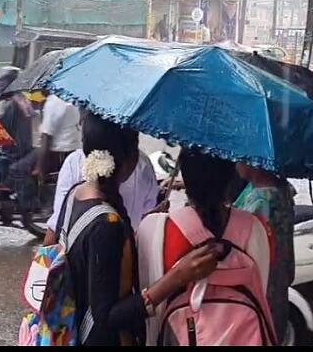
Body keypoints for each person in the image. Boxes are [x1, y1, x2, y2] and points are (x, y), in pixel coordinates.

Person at [53, 113, 220, 346]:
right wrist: (176, 277)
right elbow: (106, 318)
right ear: (130, 158)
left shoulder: (76, 194)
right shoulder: (107, 224)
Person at [137, 149, 272, 346]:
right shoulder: (254, 229)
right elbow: (261, 291)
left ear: (184, 176)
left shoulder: (154, 229)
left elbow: (152, 317)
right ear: (229, 176)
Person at [43, 122, 163, 246]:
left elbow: (57, 224)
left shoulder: (74, 163)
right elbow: (148, 218)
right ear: (131, 160)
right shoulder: (143, 166)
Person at [234, 163, 295, 344]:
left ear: (254, 162)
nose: (236, 162)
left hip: (261, 285)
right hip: (280, 277)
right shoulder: (282, 188)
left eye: (240, 157)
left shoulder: (261, 200)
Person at [0, 67, 36, 213]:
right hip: (18, 152)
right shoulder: (21, 100)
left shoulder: (13, 105)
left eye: (2, 80)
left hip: (11, 157)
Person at [33, 92, 81, 180]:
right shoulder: (71, 98)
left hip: (57, 153)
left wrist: (39, 166)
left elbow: (46, 137)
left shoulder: (53, 103)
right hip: (73, 149)